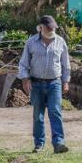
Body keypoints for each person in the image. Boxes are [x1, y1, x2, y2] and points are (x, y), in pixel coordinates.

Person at [17, 15, 71, 154]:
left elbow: (66, 64)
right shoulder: (31, 43)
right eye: (48, 27)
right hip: (36, 84)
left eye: (53, 27)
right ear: (41, 28)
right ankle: (39, 145)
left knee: (55, 112)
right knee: (38, 115)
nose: (52, 29)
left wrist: (66, 81)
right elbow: (23, 64)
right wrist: (25, 79)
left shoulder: (60, 42)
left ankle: (59, 144)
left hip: (55, 83)